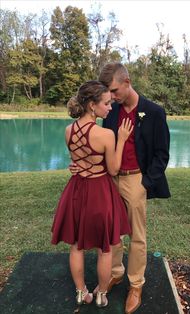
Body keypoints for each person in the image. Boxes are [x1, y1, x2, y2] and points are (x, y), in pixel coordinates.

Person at [70, 63, 171, 314]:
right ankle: (114, 274)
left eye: (114, 91)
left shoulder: (154, 112)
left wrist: (146, 183)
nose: (111, 98)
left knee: (137, 236)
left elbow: (162, 154)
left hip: (136, 180)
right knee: (112, 234)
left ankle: (136, 284)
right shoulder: (111, 112)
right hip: (108, 180)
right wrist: (83, 166)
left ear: (127, 82)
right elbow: (99, 145)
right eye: (108, 93)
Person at [51, 80, 133, 308]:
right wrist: (123, 139)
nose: (110, 107)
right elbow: (114, 169)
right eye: (106, 103)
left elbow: (77, 159)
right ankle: (101, 295)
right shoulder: (106, 134)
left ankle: (81, 292)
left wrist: (78, 166)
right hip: (99, 192)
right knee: (105, 249)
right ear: (91, 105)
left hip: (76, 191)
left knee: (76, 245)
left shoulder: (68, 131)